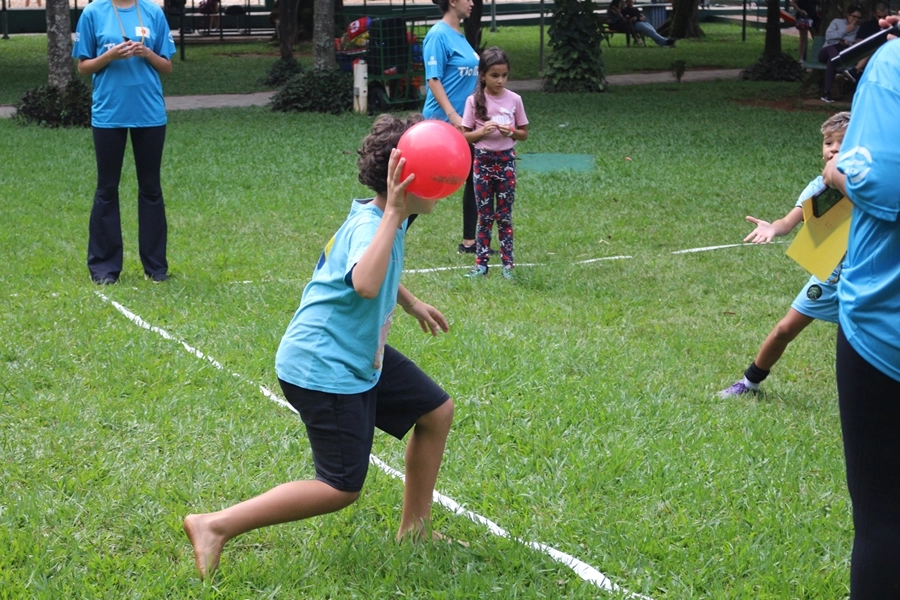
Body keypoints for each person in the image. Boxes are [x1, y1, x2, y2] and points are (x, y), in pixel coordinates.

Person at [183, 114, 456, 580]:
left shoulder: (391, 220)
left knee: (436, 411)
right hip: (324, 365)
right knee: (340, 486)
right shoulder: (378, 222)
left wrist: (409, 301)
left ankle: (416, 527)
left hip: (356, 352)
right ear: (403, 183)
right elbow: (366, 283)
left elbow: (367, 273)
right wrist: (393, 209)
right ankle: (214, 525)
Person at [822, 17, 900, 598]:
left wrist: (836, 168)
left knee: (883, 520)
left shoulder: (892, 66)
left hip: (886, 328)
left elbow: (881, 184)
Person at [718, 111, 850, 398]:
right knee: (784, 329)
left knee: (867, 343)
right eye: (829, 143)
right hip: (829, 276)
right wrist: (773, 228)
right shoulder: (817, 188)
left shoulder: (870, 187)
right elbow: (789, 222)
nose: (834, 149)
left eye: (843, 143)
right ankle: (749, 384)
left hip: (865, 279)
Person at [72, 0, 176, 285]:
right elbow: (83, 67)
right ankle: (104, 268)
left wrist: (146, 53)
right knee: (107, 188)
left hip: (149, 112)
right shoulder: (94, 12)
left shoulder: (153, 12)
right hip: (109, 113)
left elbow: (166, 67)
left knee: (151, 188)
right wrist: (110, 56)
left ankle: (156, 267)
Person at [460, 47, 529, 280]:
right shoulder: (473, 101)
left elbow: (523, 134)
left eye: (504, 75)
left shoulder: (515, 100)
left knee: (505, 215)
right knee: (485, 215)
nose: (500, 80)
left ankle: (508, 265)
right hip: (482, 163)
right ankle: (481, 264)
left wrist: (510, 130)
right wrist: (482, 131)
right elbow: (464, 136)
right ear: (482, 76)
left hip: (506, 162)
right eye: (494, 75)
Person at [422, 0, 480, 254]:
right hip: (442, 124)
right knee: (423, 186)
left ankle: (470, 242)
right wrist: (453, 116)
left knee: (475, 178)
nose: (472, 3)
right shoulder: (438, 35)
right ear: (452, 1)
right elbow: (433, 80)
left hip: (465, 124)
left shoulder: (459, 35)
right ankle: (387, 230)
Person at [818, 4, 863, 103]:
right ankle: (841, 71)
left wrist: (847, 43)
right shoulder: (837, 22)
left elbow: (855, 44)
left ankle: (827, 94)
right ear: (848, 15)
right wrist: (846, 30)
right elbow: (829, 37)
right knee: (832, 48)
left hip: (840, 55)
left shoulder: (858, 29)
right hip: (826, 51)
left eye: (858, 18)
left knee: (833, 60)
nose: (856, 20)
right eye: (854, 16)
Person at [844, 2, 891, 81]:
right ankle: (856, 71)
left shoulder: (891, 25)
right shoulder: (867, 26)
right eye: (879, 17)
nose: (882, 19)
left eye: (885, 16)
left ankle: (855, 71)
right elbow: (859, 42)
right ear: (874, 14)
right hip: (868, 54)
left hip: (887, 53)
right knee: (871, 47)